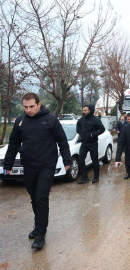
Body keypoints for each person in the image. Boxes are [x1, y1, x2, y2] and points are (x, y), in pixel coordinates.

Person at [4, 93, 71, 250]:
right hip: (29, 164)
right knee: (33, 196)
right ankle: (38, 225)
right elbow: (14, 143)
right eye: (25, 107)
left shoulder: (50, 120)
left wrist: (67, 160)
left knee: (41, 196)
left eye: (31, 106)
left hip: (47, 164)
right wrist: (8, 163)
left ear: (39, 104)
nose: (28, 110)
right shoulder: (20, 122)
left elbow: (62, 140)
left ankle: (41, 234)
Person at [76, 104, 105, 184]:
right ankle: (84, 177)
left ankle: (96, 177)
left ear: (90, 111)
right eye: (83, 110)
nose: (84, 112)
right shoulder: (81, 119)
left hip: (93, 143)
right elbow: (77, 127)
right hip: (84, 143)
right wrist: (80, 132)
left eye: (85, 110)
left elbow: (102, 129)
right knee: (81, 159)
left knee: (95, 160)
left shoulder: (95, 120)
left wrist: (93, 134)